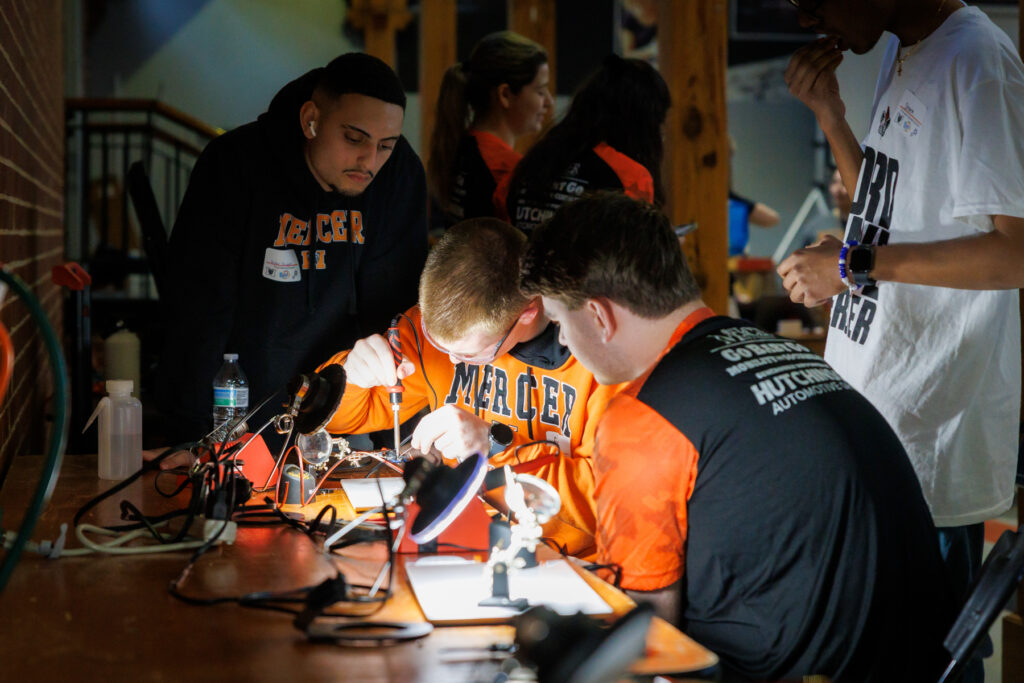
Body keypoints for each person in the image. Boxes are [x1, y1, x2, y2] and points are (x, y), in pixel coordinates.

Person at [520, 192, 957, 681]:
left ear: (599, 317)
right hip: (913, 660)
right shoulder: (789, 354)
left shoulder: (643, 416)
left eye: (559, 323)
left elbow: (641, 637)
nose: (561, 341)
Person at [779, 4, 1024, 676]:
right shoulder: (902, 50)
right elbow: (884, 216)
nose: (808, 18)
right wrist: (831, 115)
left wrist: (855, 265)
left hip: (932, 429)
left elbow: (1014, 253)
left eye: (816, 0)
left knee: (929, 662)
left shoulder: (976, 57)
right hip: (881, 410)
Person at [156, 53, 428, 446]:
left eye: (386, 145)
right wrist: (195, 433)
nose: (369, 161)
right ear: (310, 120)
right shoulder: (234, 165)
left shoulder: (399, 175)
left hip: (344, 410)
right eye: (354, 138)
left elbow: (397, 311)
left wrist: (400, 440)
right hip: (239, 408)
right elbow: (200, 311)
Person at [318, 217, 623, 558]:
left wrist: (492, 447)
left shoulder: (599, 359)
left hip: (563, 564)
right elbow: (335, 421)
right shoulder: (434, 330)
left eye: (468, 353)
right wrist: (348, 376)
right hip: (455, 545)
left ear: (527, 311)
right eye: (437, 343)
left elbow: (612, 503)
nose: (451, 362)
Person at [497, 54, 670, 234]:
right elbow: (635, 256)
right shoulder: (631, 177)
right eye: (659, 122)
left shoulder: (530, 165)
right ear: (645, 123)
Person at [428, 31, 551, 230]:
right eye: (540, 91)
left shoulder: (459, 146)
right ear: (505, 95)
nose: (549, 102)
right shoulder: (505, 168)